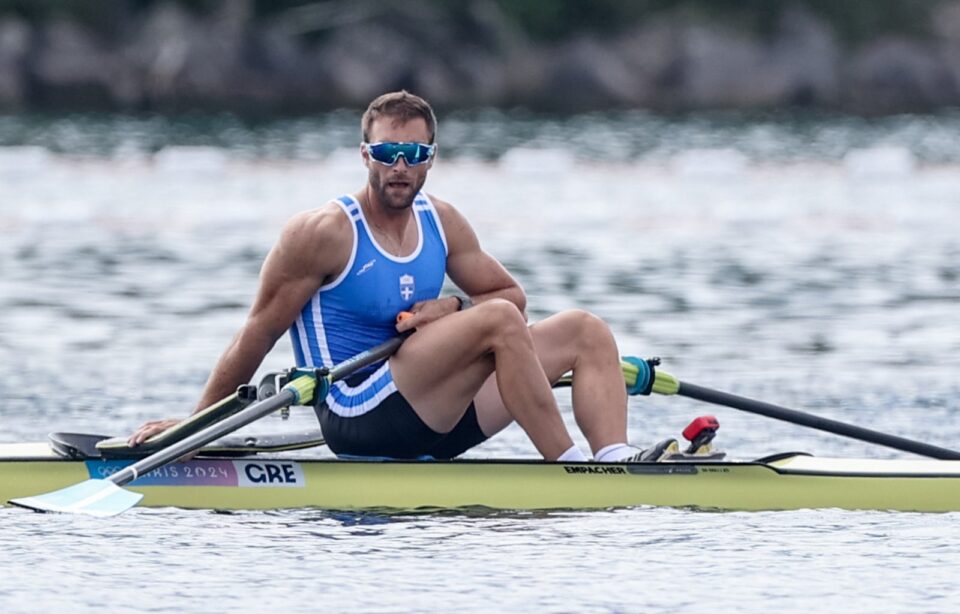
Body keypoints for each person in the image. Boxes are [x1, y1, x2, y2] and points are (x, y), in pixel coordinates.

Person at [130, 90, 653, 463]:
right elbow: (258, 332)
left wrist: (450, 307)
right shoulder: (323, 233)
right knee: (496, 321)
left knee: (584, 329)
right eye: (386, 153)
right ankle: (570, 469)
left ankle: (616, 460)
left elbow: (511, 296)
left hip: (437, 414)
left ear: (430, 159)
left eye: (413, 155)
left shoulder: (442, 221)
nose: (399, 166)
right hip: (357, 414)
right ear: (366, 155)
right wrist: (196, 425)